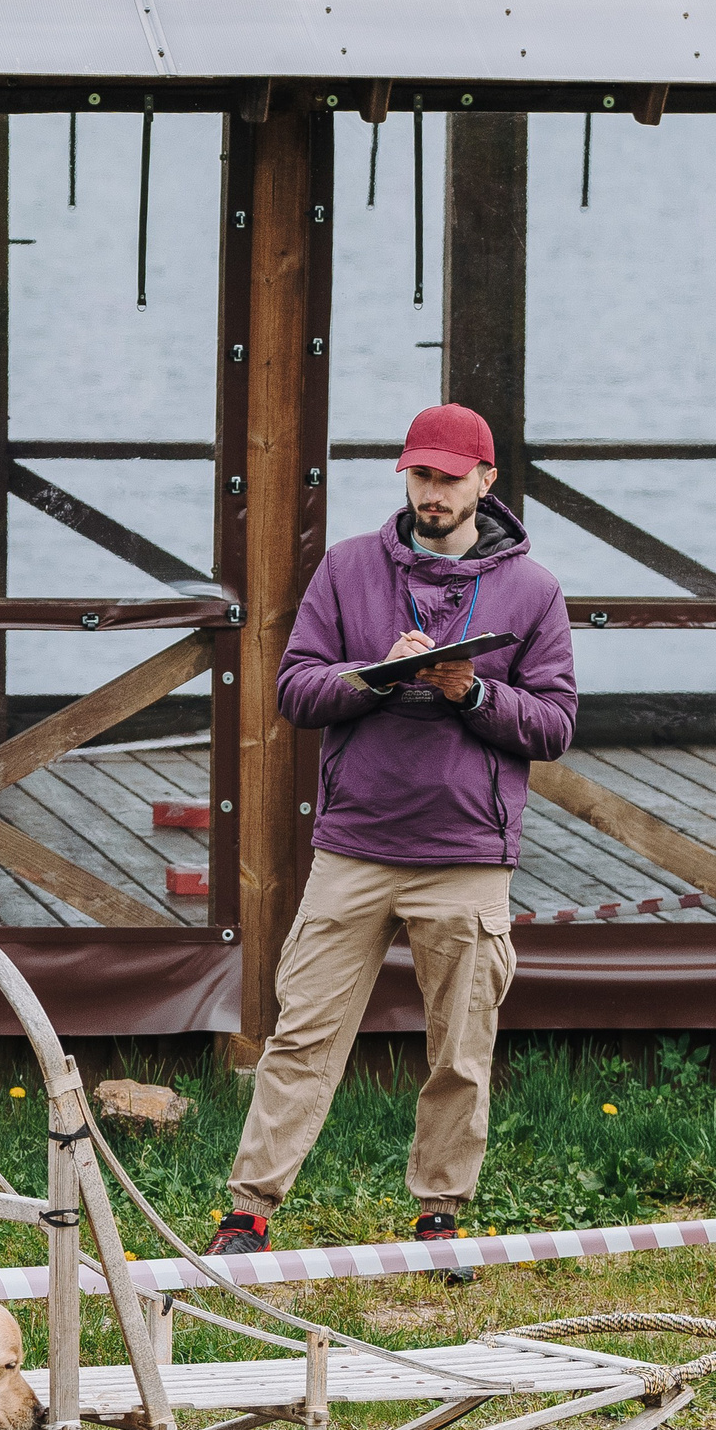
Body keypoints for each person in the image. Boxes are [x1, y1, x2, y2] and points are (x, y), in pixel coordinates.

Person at [204, 405, 576, 1261]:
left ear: (487, 481)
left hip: (468, 857)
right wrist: (374, 679)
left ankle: (440, 1214)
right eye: (419, 475)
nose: (432, 492)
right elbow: (296, 692)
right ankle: (248, 1213)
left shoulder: (534, 590)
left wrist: (470, 693)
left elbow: (554, 725)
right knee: (301, 1036)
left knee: (461, 1050)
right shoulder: (345, 570)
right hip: (354, 849)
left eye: (448, 477)